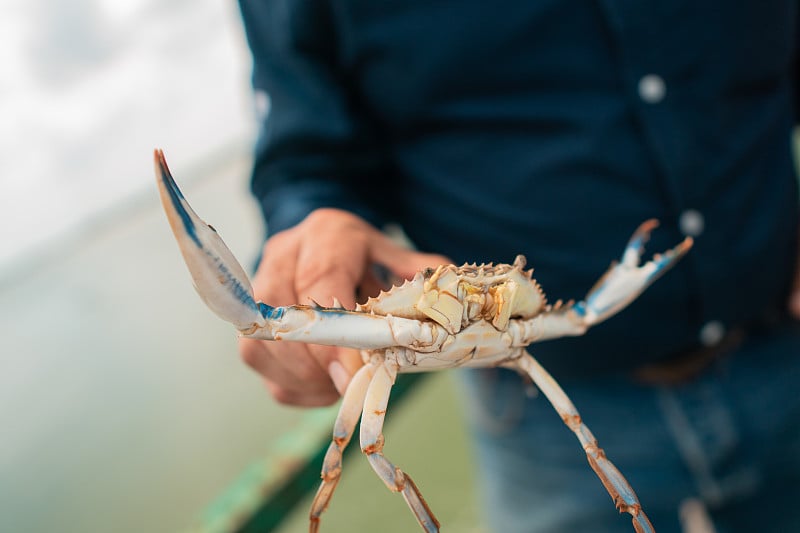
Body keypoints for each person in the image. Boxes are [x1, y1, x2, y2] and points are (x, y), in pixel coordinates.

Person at [235, 1, 800, 531]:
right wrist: (309, 230)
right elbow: (304, 155)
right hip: (537, 421)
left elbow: (580, 313)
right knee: (363, 441)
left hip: (784, 348)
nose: (482, 296)